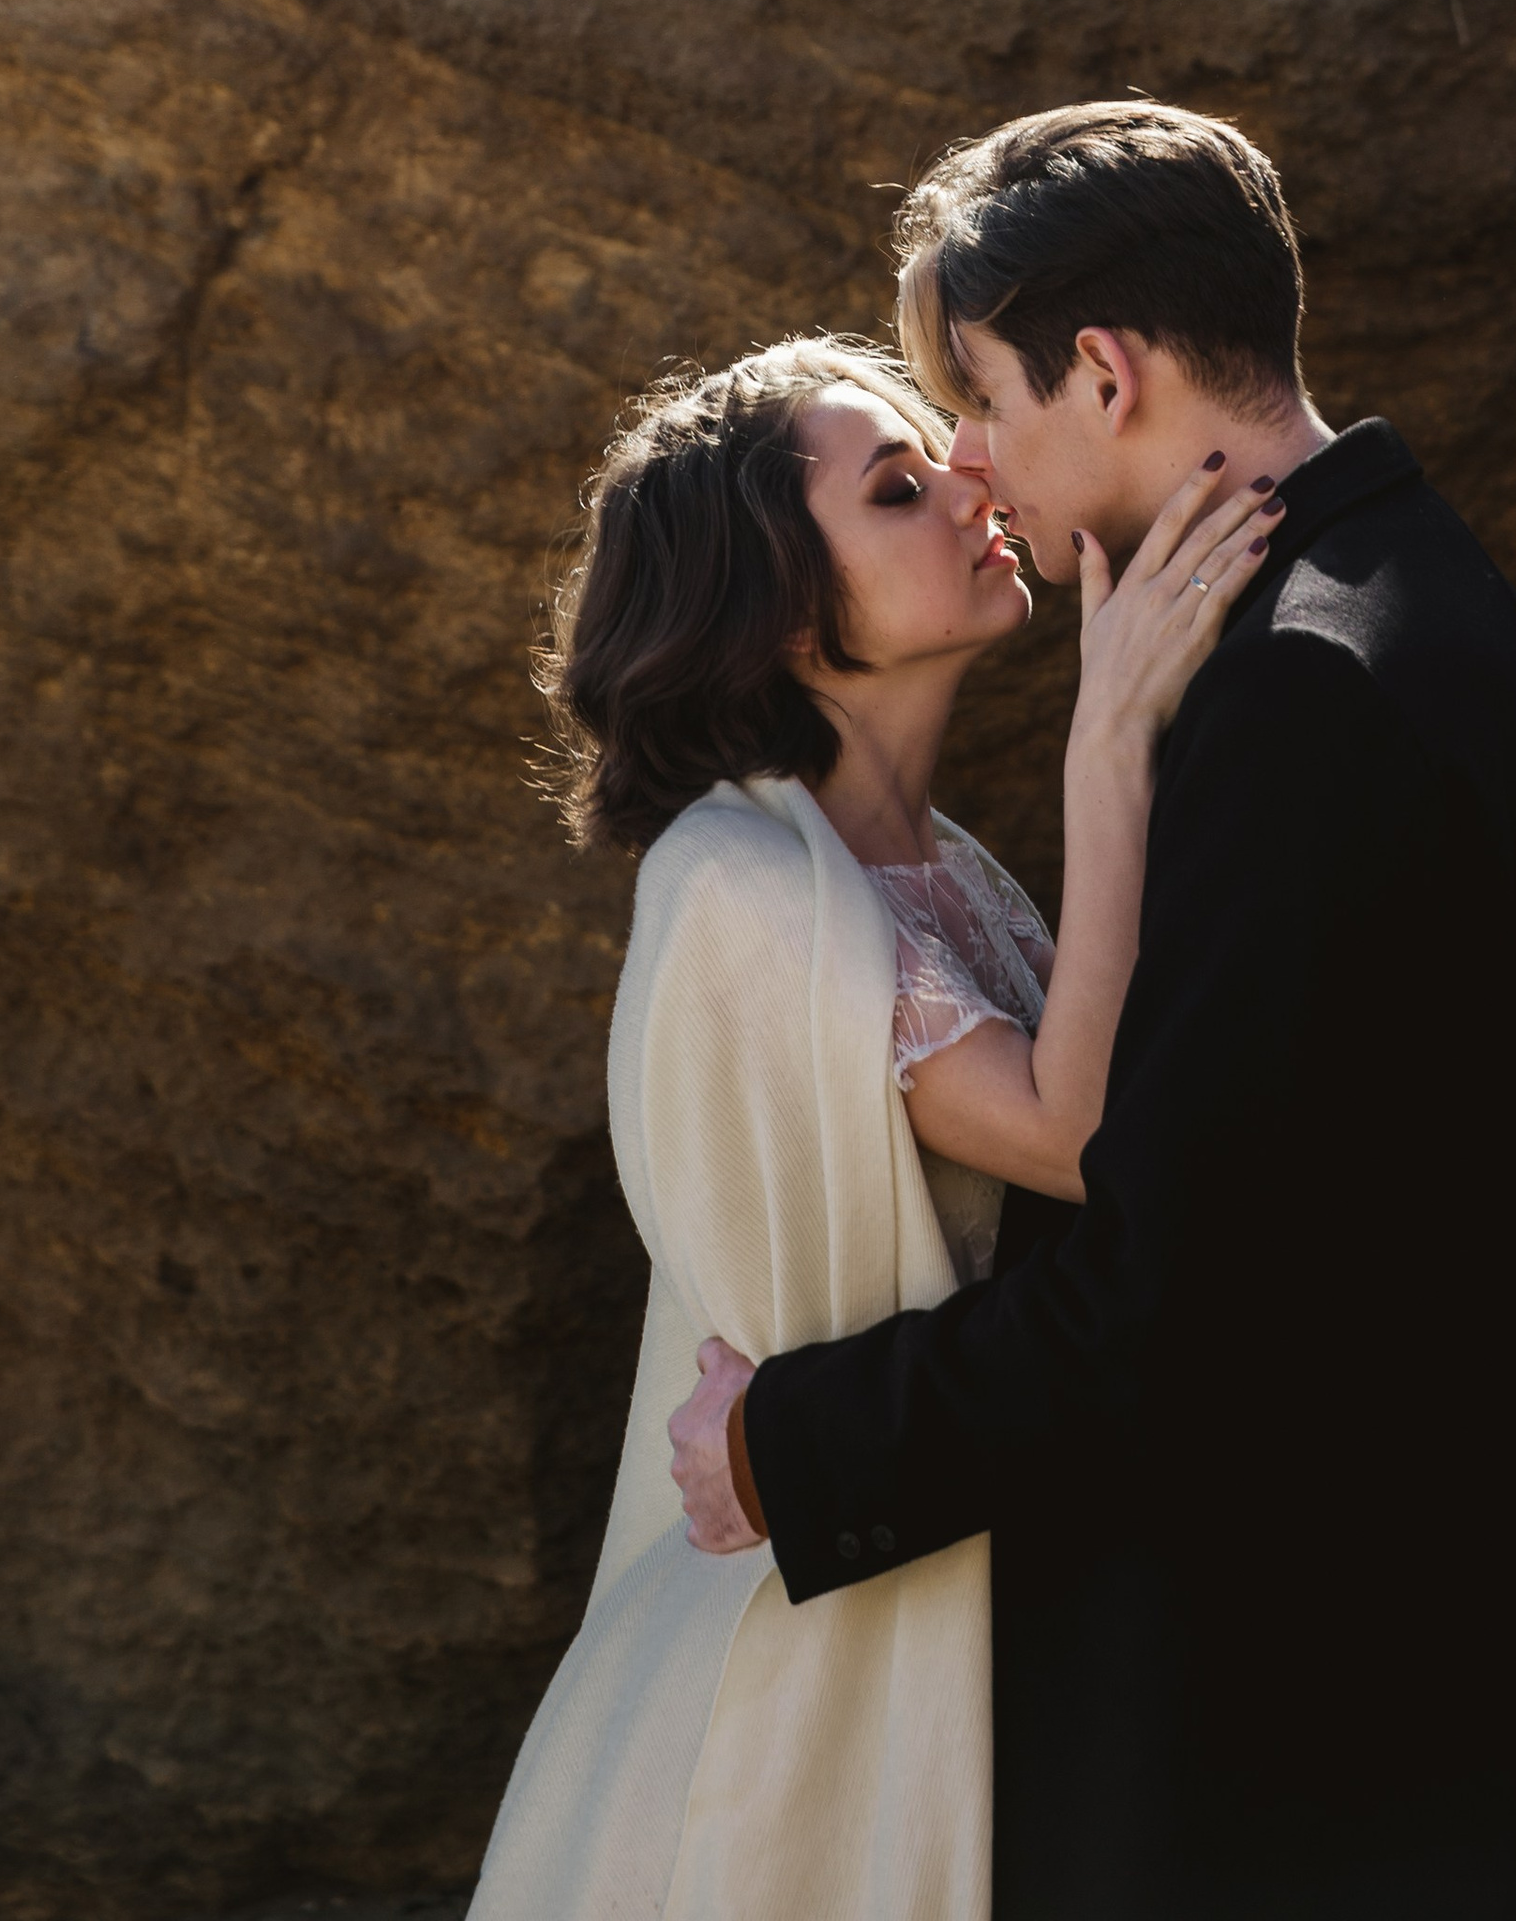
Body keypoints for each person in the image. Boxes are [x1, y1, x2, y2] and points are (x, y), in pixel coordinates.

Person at [670, 103, 1516, 1921]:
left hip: (1333, 1735)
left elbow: (1174, 1297)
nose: (972, 457)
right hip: (1473, 1683)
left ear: (1109, 375)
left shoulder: (1301, 692)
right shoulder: (1417, 596)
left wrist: (789, 1447)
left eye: (976, 395)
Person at [464, 332, 1269, 1921]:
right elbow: (1082, 1138)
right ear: (778, 613)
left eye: (944, 452)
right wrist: (1111, 746)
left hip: (966, 1537)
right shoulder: (736, 881)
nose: (970, 480)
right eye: (899, 486)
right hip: (820, 1623)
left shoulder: (946, 864)